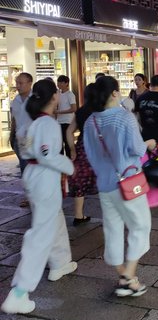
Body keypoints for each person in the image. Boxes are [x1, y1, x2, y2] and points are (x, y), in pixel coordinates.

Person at [1, 79, 77, 315]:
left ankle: (60, 262)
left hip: (35, 176)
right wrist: (69, 166)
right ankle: (20, 291)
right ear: (54, 96)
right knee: (42, 231)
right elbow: (47, 154)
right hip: (45, 176)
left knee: (53, 219)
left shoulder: (32, 121)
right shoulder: (47, 123)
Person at [83, 76, 153, 297]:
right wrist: (148, 144)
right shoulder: (125, 117)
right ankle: (127, 276)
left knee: (112, 229)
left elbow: (90, 153)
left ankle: (124, 275)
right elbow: (136, 149)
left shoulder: (90, 121)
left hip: (104, 184)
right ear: (114, 93)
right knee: (140, 225)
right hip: (127, 182)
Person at [66, 83, 97, 226]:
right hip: (99, 148)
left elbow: (69, 131)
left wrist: (72, 149)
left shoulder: (81, 111)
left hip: (83, 147)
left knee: (80, 180)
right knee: (105, 179)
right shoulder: (101, 110)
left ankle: (78, 215)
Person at [9, 72, 33, 196]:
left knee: (31, 167)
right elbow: (14, 119)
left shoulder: (36, 99)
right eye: (17, 83)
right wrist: (12, 135)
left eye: (21, 83)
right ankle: (29, 194)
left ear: (30, 83)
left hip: (33, 138)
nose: (18, 86)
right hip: (20, 139)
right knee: (25, 168)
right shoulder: (16, 100)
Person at [56, 75, 77, 156]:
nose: (59, 84)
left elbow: (73, 108)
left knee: (67, 143)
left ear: (66, 83)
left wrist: (59, 112)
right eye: (58, 82)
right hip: (59, 122)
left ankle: (69, 162)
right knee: (59, 143)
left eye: (61, 82)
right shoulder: (58, 94)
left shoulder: (70, 95)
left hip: (67, 121)